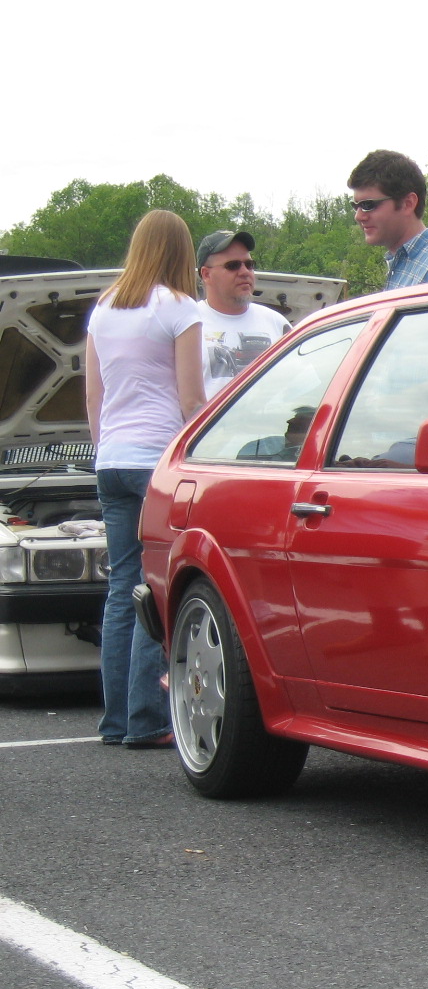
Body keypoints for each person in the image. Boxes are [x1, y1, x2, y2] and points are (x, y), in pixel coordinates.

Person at [85, 210, 206, 748]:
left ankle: (116, 721)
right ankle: (148, 720)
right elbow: (192, 398)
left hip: (111, 459)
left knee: (120, 589)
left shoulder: (104, 308)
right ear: (180, 251)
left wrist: (105, 449)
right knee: (154, 589)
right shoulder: (179, 307)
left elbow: (94, 395)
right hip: (157, 460)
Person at [347, 150, 428, 290]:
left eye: (367, 205)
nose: (358, 216)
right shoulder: (405, 265)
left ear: (408, 203)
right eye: (355, 206)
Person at [195, 229, 288, 399]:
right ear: (206, 274)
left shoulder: (276, 322)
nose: (245, 272)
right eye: (233, 266)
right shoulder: (189, 324)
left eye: (249, 264)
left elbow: (303, 385)